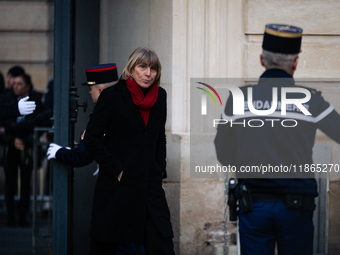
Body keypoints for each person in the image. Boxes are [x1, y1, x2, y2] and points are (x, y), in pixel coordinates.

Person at [214, 24, 340, 255]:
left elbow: (222, 150)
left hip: (254, 204)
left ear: (262, 60)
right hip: (296, 206)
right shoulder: (310, 100)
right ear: (295, 63)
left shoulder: (239, 99)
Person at [46, 63, 146, 255]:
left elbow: (83, 156)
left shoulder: (104, 114)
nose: (90, 94)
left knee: (111, 242)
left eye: (91, 89)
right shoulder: (130, 107)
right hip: (132, 189)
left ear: (100, 90)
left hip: (115, 191)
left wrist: (59, 152)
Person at [83, 48, 175, 255]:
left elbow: (159, 136)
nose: (148, 73)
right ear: (131, 70)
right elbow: (92, 138)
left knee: (162, 245)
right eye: (142, 67)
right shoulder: (112, 96)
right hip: (118, 187)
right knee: (105, 245)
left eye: (153, 69)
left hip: (149, 187)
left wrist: (159, 169)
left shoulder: (160, 96)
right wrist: (116, 168)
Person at [2, 73, 43, 227]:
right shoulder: (7, 99)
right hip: (11, 144)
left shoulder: (35, 100)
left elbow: (37, 122)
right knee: (9, 182)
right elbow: (3, 126)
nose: (15, 86)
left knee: (25, 182)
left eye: (19, 84)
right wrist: (12, 139)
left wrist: (23, 140)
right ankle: (11, 217)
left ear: (27, 86)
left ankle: (22, 217)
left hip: (27, 145)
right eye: (15, 83)